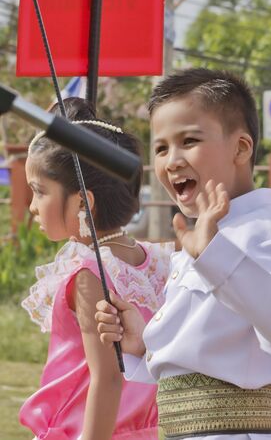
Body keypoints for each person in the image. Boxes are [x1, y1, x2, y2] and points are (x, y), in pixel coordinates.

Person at [95, 68, 271, 440]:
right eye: (160, 147)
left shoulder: (261, 232)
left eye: (189, 140)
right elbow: (203, 351)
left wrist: (214, 255)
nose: (171, 160)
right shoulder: (206, 236)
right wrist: (142, 343)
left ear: (241, 147)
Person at [19, 97, 174, 440]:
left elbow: (107, 378)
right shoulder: (151, 261)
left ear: (82, 202)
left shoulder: (90, 273)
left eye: (39, 192)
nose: (32, 207)